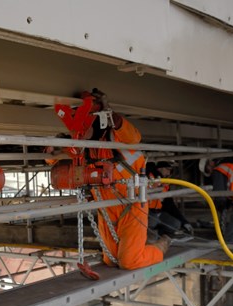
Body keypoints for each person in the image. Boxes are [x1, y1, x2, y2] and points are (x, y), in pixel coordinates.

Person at [73, 89, 168, 270]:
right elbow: (55, 159)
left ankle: (160, 246)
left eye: (83, 124)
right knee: (110, 260)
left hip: (131, 207)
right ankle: (138, 247)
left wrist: (108, 110)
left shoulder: (117, 137)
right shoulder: (83, 149)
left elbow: (133, 135)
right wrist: (50, 151)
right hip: (106, 211)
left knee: (129, 262)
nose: (80, 132)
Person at [146, 161, 193, 237]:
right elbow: (148, 167)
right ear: (160, 168)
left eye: (171, 170)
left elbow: (170, 206)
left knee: (175, 224)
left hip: (158, 212)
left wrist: (184, 222)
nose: (169, 173)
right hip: (146, 212)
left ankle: (158, 233)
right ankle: (150, 233)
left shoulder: (165, 184)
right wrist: (157, 174)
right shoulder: (149, 176)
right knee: (153, 221)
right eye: (167, 169)